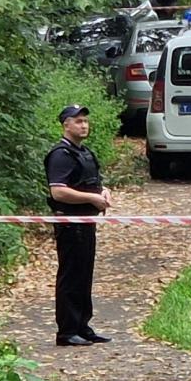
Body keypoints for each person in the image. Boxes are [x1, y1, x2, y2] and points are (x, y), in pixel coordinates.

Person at [45, 104, 113, 347]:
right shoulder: (61, 155)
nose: (83, 125)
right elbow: (59, 192)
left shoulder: (85, 153)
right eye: (78, 121)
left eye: (85, 121)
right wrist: (91, 199)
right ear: (66, 125)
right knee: (71, 275)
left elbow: (90, 183)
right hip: (70, 223)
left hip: (86, 222)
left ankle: (82, 326)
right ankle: (66, 331)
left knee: (84, 275)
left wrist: (102, 192)